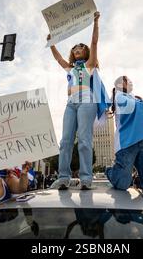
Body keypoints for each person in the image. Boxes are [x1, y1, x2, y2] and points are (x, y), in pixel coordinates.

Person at [49, 11, 105, 191]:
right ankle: (63, 177)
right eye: (74, 48)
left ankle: (86, 178)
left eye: (80, 47)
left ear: (85, 51)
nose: (77, 49)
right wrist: (52, 43)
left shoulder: (90, 64)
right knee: (65, 141)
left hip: (87, 103)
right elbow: (58, 58)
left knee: (84, 141)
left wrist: (95, 22)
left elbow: (95, 42)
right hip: (71, 105)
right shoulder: (69, 68)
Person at [106, 76, 143, 209]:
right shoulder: (119, 97)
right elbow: (142, 108)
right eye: (127, 81)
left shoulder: (133, 98)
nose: (130, 82)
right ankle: (110, 172)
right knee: (122, 183)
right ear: (121, 85)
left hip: (142, 143)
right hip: (127, 144)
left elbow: (141, 113)